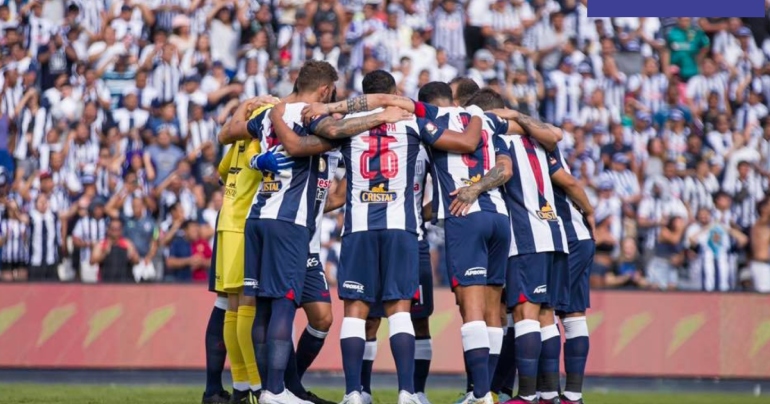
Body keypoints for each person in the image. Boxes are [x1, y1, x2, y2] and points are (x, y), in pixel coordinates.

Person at [302, 71, 488, 404]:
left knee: (356, 312)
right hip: (402, 229)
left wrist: (324, 110)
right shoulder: (413, 123)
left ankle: (353, 394)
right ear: (395, 92)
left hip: (359, 228)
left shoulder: (348, 126)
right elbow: (461, 145)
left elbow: (321, 134)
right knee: (401, 310)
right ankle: (407, 393)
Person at [27, 193, 62, 281]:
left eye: (45, 202)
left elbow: (67, 214)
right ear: (35, 204)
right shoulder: (31, 216)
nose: (43, 204)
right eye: (40, 202)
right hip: (35, 260)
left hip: (51, 260)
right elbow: (20, 217)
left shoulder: (53, 216)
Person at [750, 197, 770, 293]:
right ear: (763, 209)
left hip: (766, 265)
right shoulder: (759, 225)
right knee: (764, 297)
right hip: (760, 265)